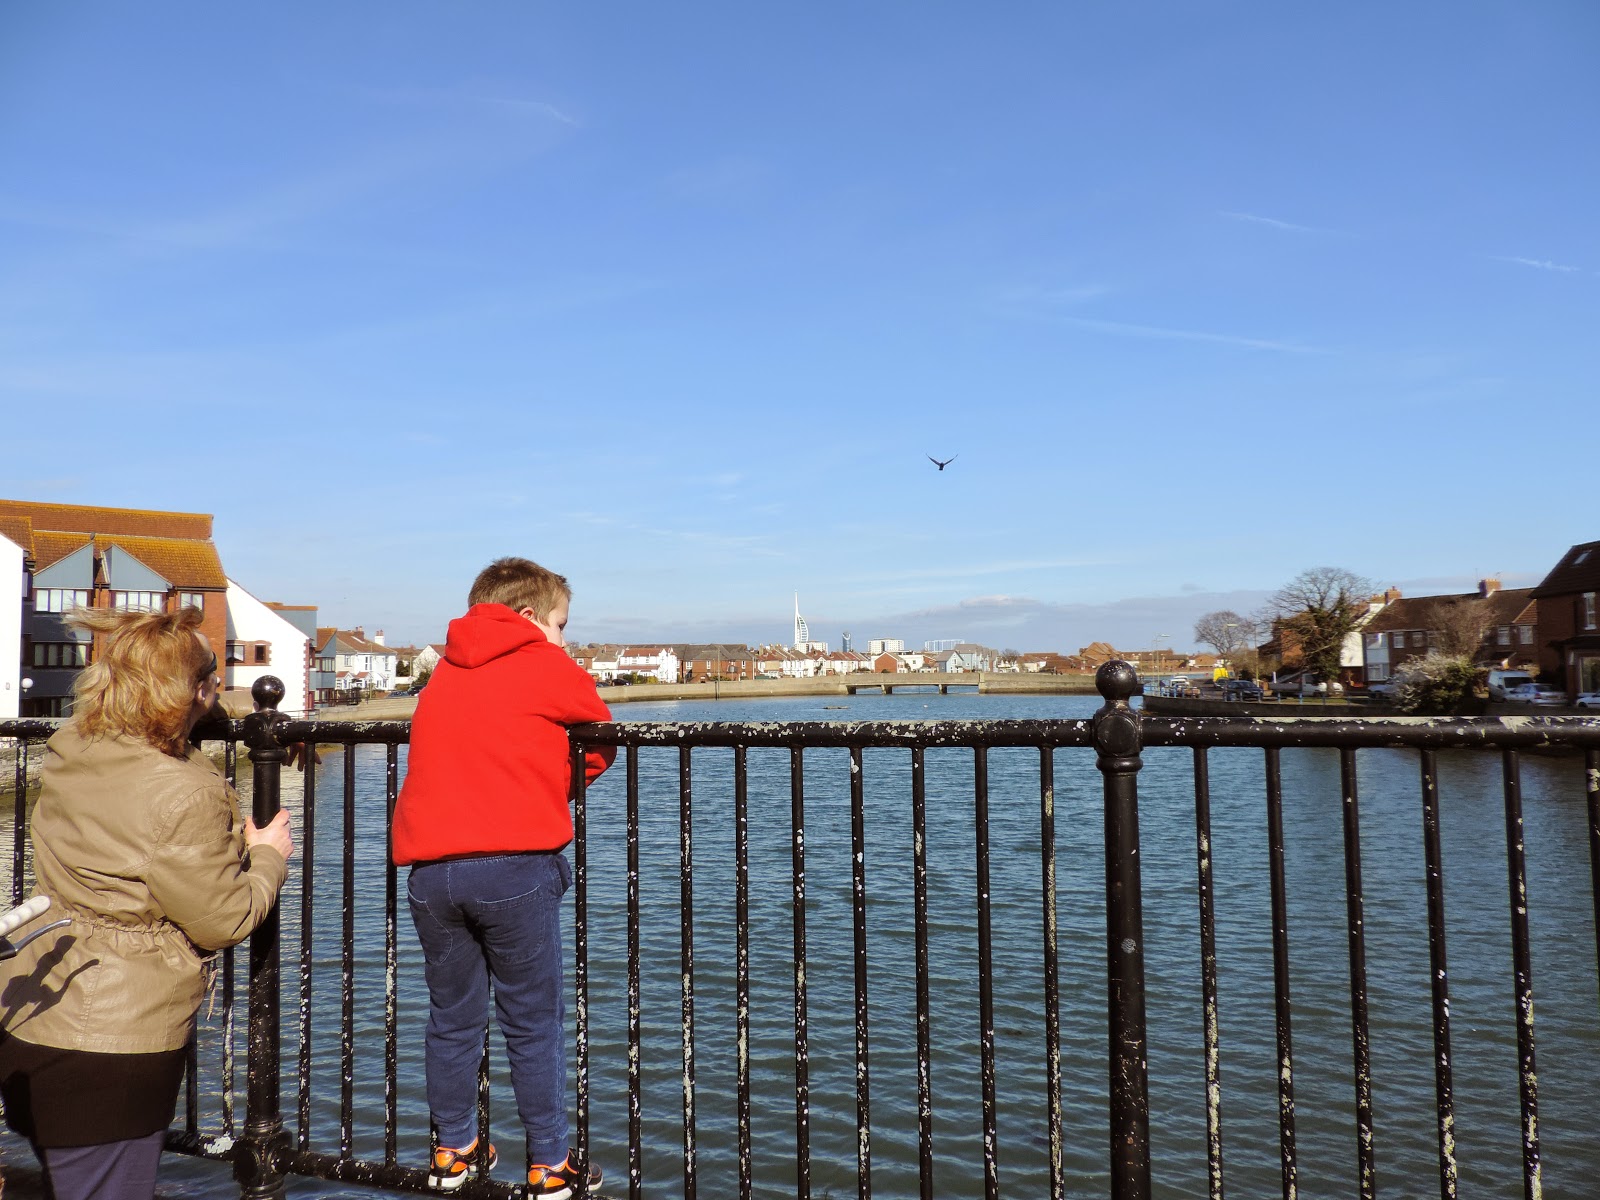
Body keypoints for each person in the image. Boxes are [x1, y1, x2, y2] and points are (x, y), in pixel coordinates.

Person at [0, 605, 293, 1200]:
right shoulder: (181, 793)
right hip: (112, 1042)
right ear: (199, 688)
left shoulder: (74, 746)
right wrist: (268, 856)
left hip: (33, 1006)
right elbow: (225, 919)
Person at [391, 557, 614, 1197]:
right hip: (512, 866)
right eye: (560, 624)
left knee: (453, 1018)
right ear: (527, 617)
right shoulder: (546, 665)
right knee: (531, 1020)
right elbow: (600, 735)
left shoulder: (443, 675)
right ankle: (549, 1163)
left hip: (431, 875)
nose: (565, 639)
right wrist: (552, 785)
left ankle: (452, 1151)